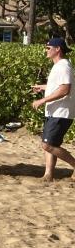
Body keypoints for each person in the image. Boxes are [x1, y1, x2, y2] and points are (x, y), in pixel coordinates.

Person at [31, 37, 75, 182]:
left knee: (47, 145)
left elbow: (64, 89)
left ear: (58, 49)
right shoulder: (59, 65)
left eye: (48, 48)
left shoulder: (63, 66)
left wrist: (42, 100)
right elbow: (59, 86)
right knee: (51, 144)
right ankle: (48, 174)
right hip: (54, 111)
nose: (46, 50)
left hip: (61, 112)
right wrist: (43, 87)